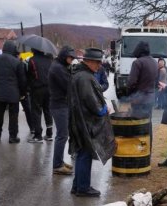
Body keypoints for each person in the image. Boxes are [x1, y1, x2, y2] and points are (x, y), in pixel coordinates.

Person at [68, 48, 116, 197]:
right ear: (87, 61)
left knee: (82, 152)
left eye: (99, 62)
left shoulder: (80, 74)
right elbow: (92, 103)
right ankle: (83, 188)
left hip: (79, 120)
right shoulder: (85, 78)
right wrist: (104, 110)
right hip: (84, 122)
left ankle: (77, 186)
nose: (99, 66)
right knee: (85, 153)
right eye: (96, 62)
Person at [0, 40, 27, 143]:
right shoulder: (17, 62)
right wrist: (23, 93)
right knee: (13, 116)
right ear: (13, 49)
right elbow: (22, 80)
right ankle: (12, 136)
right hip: (13, 93)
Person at [48, 46, 78, 175]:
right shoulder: (58, 69)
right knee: (62, 135)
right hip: (59, 105)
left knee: (63, 134)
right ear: (64, 56)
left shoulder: (59, 66)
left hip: (60, 104)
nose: (71, 60)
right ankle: (57, 165)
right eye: (70, 58)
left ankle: (59, 161)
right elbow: (68, 85)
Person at [127, 41, 158, 148]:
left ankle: (139, 151)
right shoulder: (154, 62)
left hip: (139, 101)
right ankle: (147, 151)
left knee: (138, 125)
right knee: (148, 124)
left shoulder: (137, 62)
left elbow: (131, 83)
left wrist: (130, 96)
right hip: (150, 99)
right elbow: (156, 82)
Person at [26, 48, 54, 143]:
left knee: (36, 111)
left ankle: (38, 135)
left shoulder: (32, 60)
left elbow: (29, 75)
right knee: (48, 110)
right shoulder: (49, 60)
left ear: (34, 50)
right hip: (49, 88)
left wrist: (29, 88)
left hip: (37, 89)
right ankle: (49, 133)